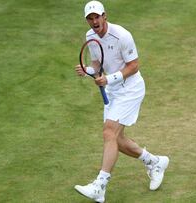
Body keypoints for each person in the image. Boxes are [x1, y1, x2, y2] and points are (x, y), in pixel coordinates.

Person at [74, 1, 169, 202]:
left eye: (97, 17)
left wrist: (109, 78)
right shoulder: (90, 37)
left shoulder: (122, 35)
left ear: (104, 16)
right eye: (90, 18)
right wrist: (88, 71)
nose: (94, 21)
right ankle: (154, 162)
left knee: (109, 131)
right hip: (114, 90)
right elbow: (97, 64)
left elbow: (134, 65)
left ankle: (100, 186)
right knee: (115, 139)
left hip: (131, 89)